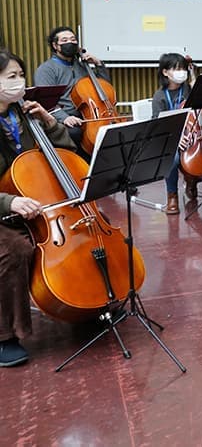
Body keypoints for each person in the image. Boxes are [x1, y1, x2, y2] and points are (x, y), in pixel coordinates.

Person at [0, 49, 76, 367]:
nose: (20, 82)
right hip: (5, 207)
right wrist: (9, 201)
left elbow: (68, 153)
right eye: (11, 76)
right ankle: (6, 336)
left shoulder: (25, 116)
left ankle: (86, 302)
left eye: (21, 75)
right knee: (14, 249)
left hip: (36, 202)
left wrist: (49, 121)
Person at [33, 26, 110, 151]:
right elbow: (46, 102)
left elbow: (104, 87)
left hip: (87, 114)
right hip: (62, 117)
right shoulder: (46, 70)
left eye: (73, 39)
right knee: (75, 132)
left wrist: (98, 64)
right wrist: (65, 118)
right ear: (55, 46)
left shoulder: (82, 66)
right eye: (64, 40)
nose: (70, 42)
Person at [150, 53, 195, 215]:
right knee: (173, 159)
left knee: (201, 153)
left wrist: (193, 77)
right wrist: (176, 139)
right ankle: (172, 195)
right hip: (170, 138)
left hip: (190, 134)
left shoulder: (188, 90)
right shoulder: (160, 96)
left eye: (183, 68)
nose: (181, 72)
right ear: (165, 72)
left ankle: (191, 181)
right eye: (176, 69)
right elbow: (159, 126)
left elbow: (199, 113)